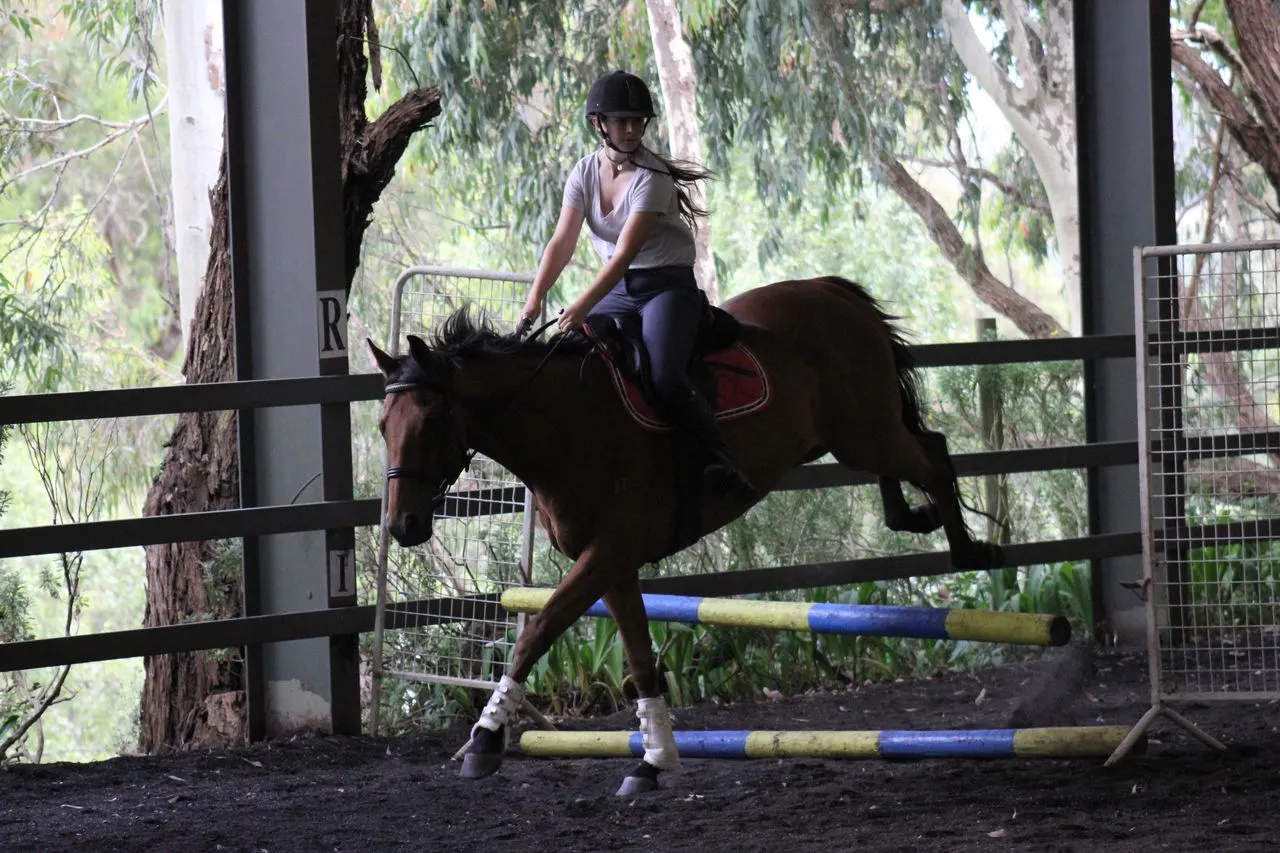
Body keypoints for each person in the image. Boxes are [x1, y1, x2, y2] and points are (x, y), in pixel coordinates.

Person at [519, 69, 755, 499]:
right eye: (621, 120)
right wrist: (534, 299)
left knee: (664, 374)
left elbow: (626, 252)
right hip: (618, 288)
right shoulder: (584, 172)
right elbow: (562, 240)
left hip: (665, 286)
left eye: (637, 121)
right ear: (598, 123)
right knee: (575, 357)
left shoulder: (654, 176)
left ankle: (720, 460)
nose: (630, 129)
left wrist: (583, 305)